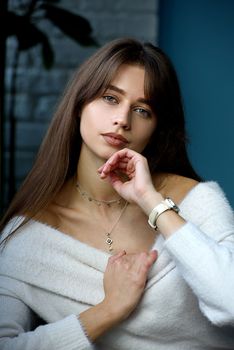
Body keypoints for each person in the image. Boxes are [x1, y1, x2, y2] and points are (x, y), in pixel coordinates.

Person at [0, 37, 233, 350]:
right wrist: (109, 310)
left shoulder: (196, 200)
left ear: (156, 127)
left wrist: (153, 203)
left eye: (142, 110)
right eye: (110, 98)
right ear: (80, 103)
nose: (123, 120)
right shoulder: (25, 240)